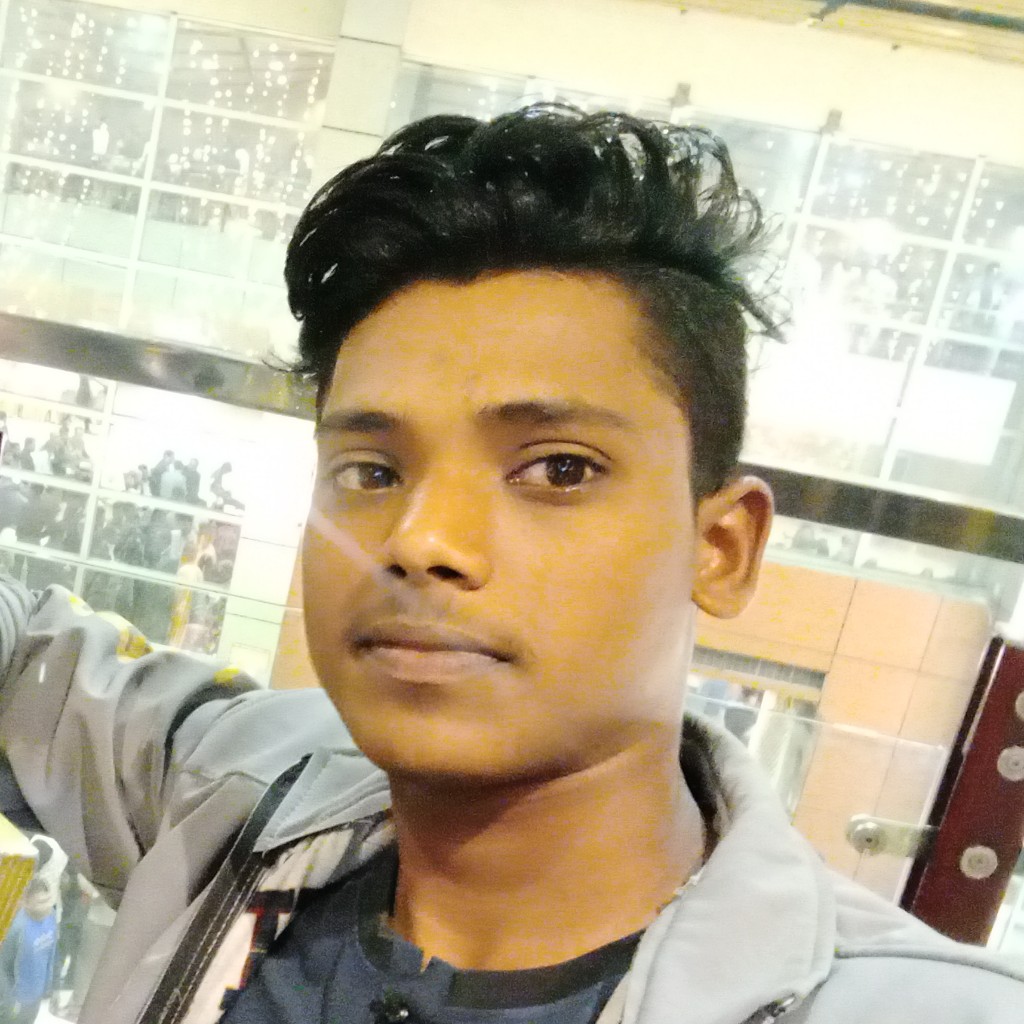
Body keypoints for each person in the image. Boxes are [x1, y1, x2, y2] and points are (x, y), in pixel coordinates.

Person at [0, 106, 1021, 1024]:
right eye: (370, 470)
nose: (419, 539)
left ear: (721, 548)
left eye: (558, 469)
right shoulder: (241, 792)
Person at [0, 879, 58, 1024]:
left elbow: (51, 954)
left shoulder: (51, 917)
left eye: (47, 900)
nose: (45, 906)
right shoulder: (16, 928)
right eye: (40, 902)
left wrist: (51, 986)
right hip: (16, 999)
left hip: (36, 996)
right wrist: (9, 1000)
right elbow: (3, 967)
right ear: (26, 902)